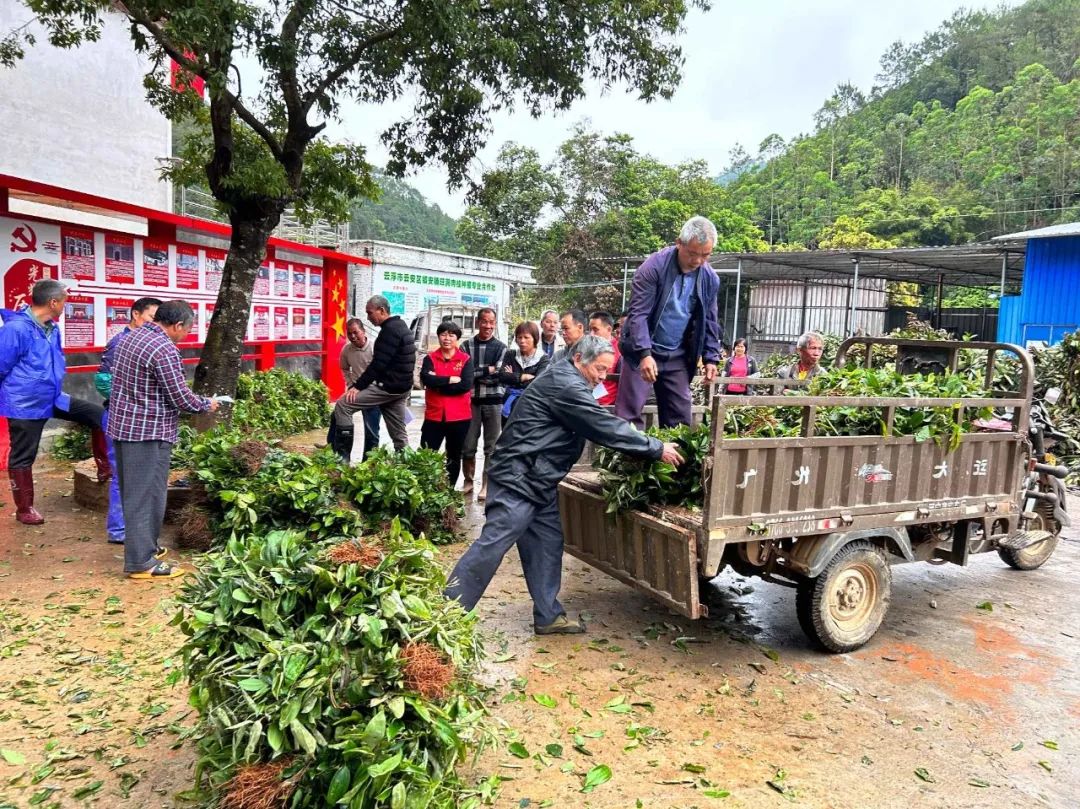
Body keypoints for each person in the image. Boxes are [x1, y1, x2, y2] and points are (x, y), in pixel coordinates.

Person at [444, 335, 684, 635]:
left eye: (606, 371)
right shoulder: (566, 384)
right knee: (493, 544)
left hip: (538, 479)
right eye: (598, 369)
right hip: (519, 477)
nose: (601, 376)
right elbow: (602, 425)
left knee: (546, 544)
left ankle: (548, 616)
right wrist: (655, 448)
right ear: (578, 359)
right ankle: (446, 613)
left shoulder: (568, 377)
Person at [108, 300, 219, 579]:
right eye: (187, 330)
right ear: (177, 325)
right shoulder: (163, 348)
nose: (186, 335)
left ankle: (147, 548)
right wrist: (207, 403)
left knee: (141, 493)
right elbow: (180, 397)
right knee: (145, 497)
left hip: (125, 428)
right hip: (148, 432)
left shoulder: (131, 337)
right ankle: (141, 563)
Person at [0, 280, 110, 525]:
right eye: (63, 301)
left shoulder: (52, 327)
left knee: (99, 415)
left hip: (53, 397)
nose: (65, 306)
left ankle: (105, 468)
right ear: (53, 302)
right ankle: (24, 508)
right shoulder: (16, 329)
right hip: (25, 403)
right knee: (23, 456)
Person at [616, 215, 722, 428]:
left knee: (680, 420)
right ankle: (627, 459)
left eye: (705, 255)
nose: (698, 261)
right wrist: (644, 354)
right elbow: (638, 315)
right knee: (629, 417)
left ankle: (672, 460)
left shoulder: (709, 278)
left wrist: (711, 358)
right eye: (693, 253)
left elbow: (710, 320)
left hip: (676, 355)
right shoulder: (653, 268)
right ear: (678, 243)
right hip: (642, 351)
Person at [95, 296, 161, 544]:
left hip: (139, 419)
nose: (155, 324)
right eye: (151, 318)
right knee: (122, 474)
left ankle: (133, 528)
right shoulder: (120, 343)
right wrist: (130, 402)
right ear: (136, 314)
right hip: (119, 417)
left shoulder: (151, 343)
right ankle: (119, 529)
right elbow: (102, 381)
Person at [331, 295, 415, 459]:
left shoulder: (388, 332)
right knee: (399, 434)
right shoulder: (401, 326)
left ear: (382, 310)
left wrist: (357, 386)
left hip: (386, 388)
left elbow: (378, 365)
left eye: (370, 313)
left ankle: (342, 460)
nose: (368, 318)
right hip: (401, 389)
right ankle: (410, 469)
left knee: (342, 405)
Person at [419, 321, 474, 484]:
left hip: (459, 417)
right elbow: (426, 379)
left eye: (451, 335)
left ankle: (449, 490)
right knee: (427, 454)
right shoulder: (430, 358)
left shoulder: (465, 359)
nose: (447, 338)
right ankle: (426, 488)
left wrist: (438, 386)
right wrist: (449, 379)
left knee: (454, 455)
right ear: (438, 337)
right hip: (434, 416)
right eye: (443, 334)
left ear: (457, 338)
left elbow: (465, 386)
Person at [460, 308, 506, 501]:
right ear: (478, 322)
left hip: (494, 402)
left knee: (492, 446)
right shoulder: (465, 346)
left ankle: (487, 484)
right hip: (470, 401)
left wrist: (477, 374)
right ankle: (468, 481)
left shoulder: (502, 347)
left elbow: (500, 375)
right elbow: (465, 374)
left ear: (495, 323)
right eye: (484, 321)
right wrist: (488, 370)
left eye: (491, 322)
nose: (488, 325)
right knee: (468, 445)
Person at [327, 318, 381, 459]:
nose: (353, 336)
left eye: (356, 332)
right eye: (349, 334)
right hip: (355, 391)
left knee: (371, 430)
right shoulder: (347, 349)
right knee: (337, 413)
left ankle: (369, 462)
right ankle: (333, 449)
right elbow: (344, 368)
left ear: (363, 331)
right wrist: (351, 384)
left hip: (373, 393)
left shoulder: (376, 347)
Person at [499, 321, 550, 423]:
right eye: (519, 337)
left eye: (526, 337)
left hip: (531, 405)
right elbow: (502, 376)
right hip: (509, 403)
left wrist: (512, 376)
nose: (522, 341)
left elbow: (538, 383)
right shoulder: (511, 354)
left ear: (535, 338)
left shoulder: (543, 359)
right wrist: (523, 377)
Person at [588, 310, 620, 405]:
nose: (591, 334)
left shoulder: (620, 352)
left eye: (595, 330)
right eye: (590, 329)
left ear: (609, 329)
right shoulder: (586, 347)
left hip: (607, 407)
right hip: (586, 401)